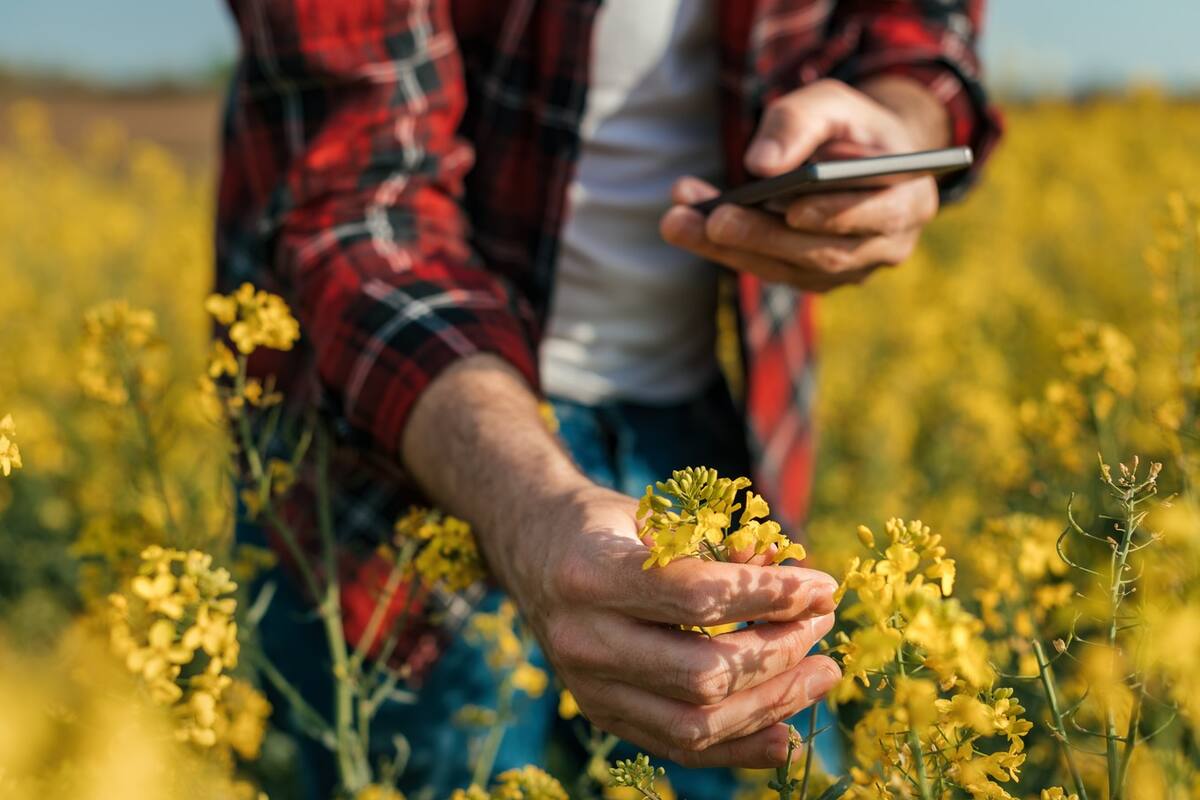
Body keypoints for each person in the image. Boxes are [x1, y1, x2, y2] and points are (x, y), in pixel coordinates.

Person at [217, 1, 1001, 797]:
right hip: (402, 437)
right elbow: (358, 206)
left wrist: (901, 120)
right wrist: (529, 511)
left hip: (707, 417)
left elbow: (917, 20)